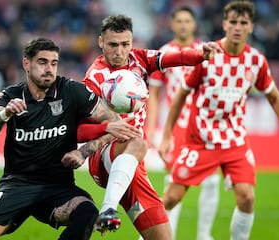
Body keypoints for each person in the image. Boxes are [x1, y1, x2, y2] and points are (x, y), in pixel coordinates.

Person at [0, 37, 141, 240]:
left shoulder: (71, 90)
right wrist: (5, 114)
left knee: (87, 212)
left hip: (58, 187)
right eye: (42, 62)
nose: (49, 69)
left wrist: (84, 151)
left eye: (54, 63)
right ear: (26, 64)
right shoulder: (11, 94)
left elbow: (116, 123)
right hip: (17, 185)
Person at [159, 1, 279, 240]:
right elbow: (181, 95)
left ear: (251, 27)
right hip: (201, 139)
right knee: (170, 198)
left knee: (247, 197)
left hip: (234, 140)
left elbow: (274, 96)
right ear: (224, 24)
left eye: (243, 23)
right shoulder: (208, 55)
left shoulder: (256, 61)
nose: (237, 27)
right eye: (233, 22)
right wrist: (166, 135)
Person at [81, 14, 221, 240]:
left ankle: (113, 207)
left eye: (125, 44)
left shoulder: (140, 59)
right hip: (104, 157)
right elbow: (80, 129)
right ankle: (107, 208)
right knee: (137, 141)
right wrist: (105, 131)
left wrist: (201, 54)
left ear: (132, 42)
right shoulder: (93, 78)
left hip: (133, 164)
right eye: (113, 45)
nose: (119, 51)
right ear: (101, 42)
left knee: (162, 237)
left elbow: (175, 58)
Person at [145, 6, 220, 240]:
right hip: (177, 127)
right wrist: (151, 128)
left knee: (212, 181)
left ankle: (204, 235)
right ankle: (169, 234)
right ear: (172, 24)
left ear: (194, 24)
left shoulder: (207, 50)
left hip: (205, 126)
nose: (184, 25)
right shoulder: (164, 54)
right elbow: (154, 95)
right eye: (179, 20)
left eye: (188, 20)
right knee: (173, 182)